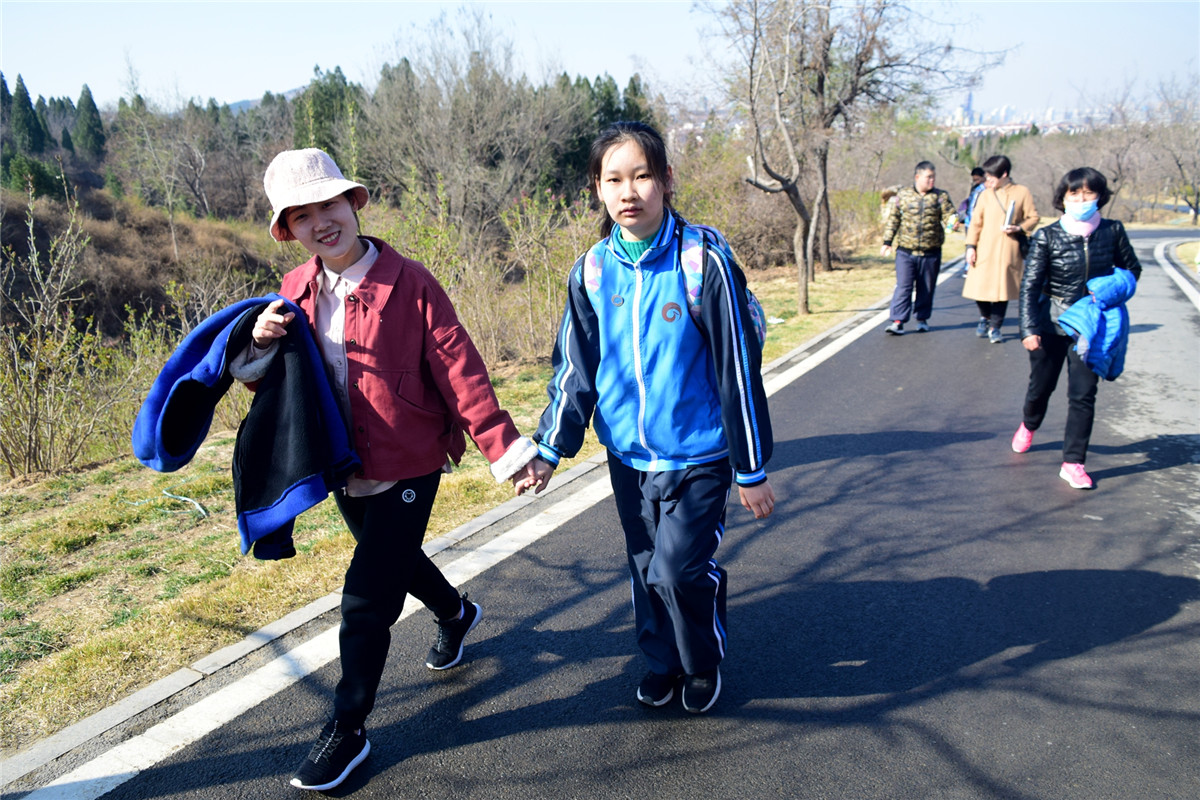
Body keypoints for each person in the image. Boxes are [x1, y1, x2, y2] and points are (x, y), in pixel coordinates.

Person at [242, 148, 538, 791]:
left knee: (367, 594)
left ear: (355, 203)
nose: (322, 221)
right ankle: (456, 615)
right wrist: (259, 344)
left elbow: (461, 369)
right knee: (393, 560)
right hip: (343, 463)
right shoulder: (293, 292)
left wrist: (504, 448)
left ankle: (348, 726)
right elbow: (272, 387)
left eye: (330, 204)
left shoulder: (411, 283)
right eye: (302, 214)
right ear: (287, 230)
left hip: (410, 458)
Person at [517, 121, 775, 714]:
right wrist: (550, 449)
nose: (628, 190)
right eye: (614, 179)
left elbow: (736, 364)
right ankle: (662, 663)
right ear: (597, 190)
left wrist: (751, 466)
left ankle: (702, 662)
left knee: (680, 570)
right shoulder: (591, 271)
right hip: (628, 458)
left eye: (642, 175)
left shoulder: (701, 259)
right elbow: (575, 370)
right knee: (644, 569)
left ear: (665, 182)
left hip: (702, 453)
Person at [1013, 167, 1141, 489]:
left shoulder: (1112, 231)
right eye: (1075, 194)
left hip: (1091, 325)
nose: (1081, 199)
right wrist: (1028, 329)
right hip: (1051, 323)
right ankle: (1030, 424)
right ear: (1063, 197)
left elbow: (1132, 270)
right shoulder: (1047, 236)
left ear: (1100, 197)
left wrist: (1109, 289)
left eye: (1088, 193)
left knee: (1083, 394)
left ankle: (1073, 463)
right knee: (1041, 387)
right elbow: (1030, 286)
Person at [963, 155, 1039, 343]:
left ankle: (995, 327)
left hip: (1008, 249)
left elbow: (1033, 217)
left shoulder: (1022, 192)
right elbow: (975, 223)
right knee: (978, 288)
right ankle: (985, 317)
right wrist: (970, 246)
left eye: (992, 177)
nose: (988, 181)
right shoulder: (985, 195)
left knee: (1001, 291)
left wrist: (1019, 228)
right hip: (984, 248)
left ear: (1004, 174)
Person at [880, 161, 959, 334]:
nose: (932, 181)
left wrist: (952, 223)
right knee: (904, 286)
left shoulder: (940, 196)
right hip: (905, 251)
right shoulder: (904, 195)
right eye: (928, 177)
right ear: (917, 177)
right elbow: (894, 220)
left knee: (926, 287)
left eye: (933, 177)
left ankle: (922, 318)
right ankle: (898, 321)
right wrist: (887, 242)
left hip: (931, 253)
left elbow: (950, 215)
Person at [958, 167, 985, 274]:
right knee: (970, 244)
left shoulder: (986, 190)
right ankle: (968, 267)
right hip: (970, 222)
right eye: (975, 179)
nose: (976, 182)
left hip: (978, 222)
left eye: (978, 179)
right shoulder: (975, 189)